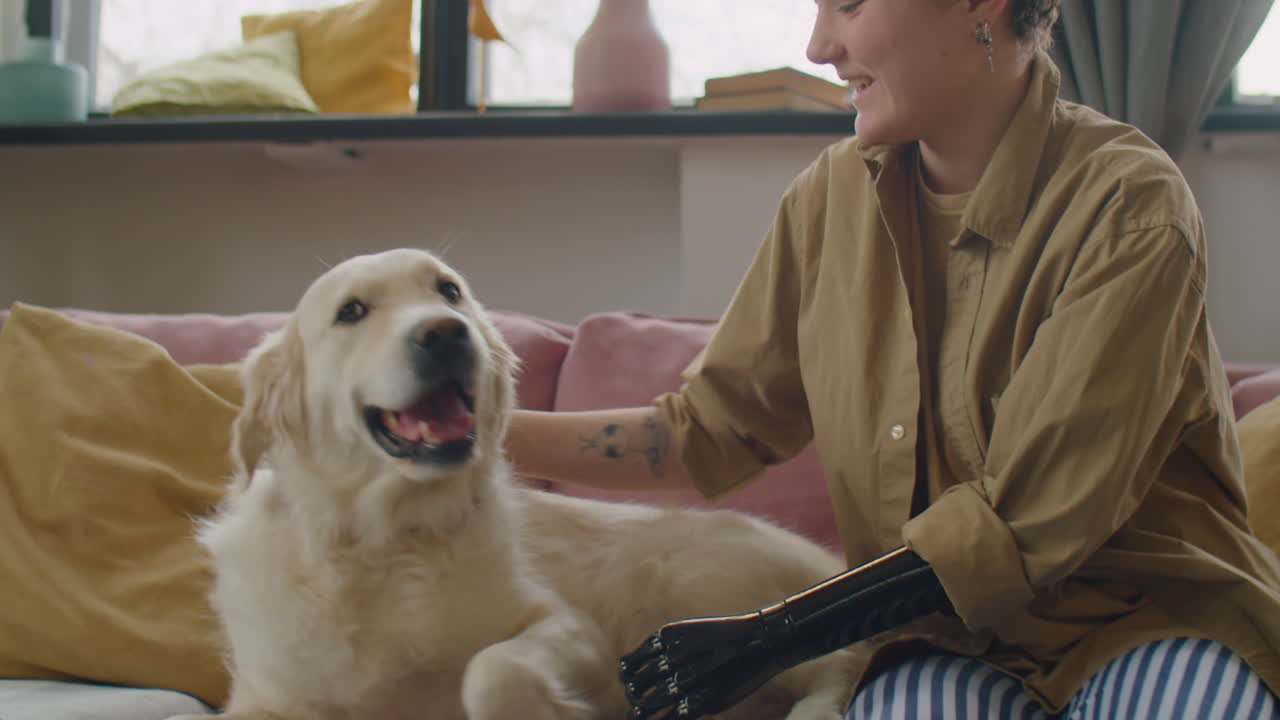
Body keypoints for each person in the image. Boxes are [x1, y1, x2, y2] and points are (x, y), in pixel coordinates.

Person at [508, 0, 1280, 717]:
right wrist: (479, 438)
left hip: (1150, 623)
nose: (819, 47)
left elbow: (1018, 520)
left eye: (848, 3)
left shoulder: (1130, 203)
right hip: (941, 643)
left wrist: (769, 638)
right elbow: (709, 429)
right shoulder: (827, 203)